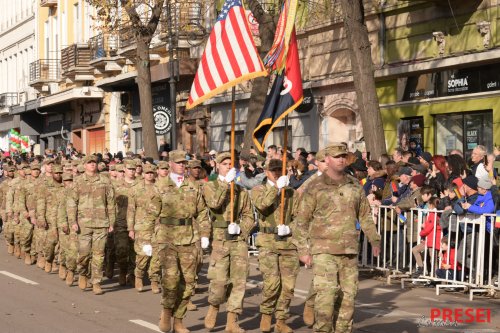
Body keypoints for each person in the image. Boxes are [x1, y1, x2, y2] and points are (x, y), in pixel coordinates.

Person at [293, 144, 380, 333]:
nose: (341, 159)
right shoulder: (315, 186)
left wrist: (375, 239)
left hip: (348, 251)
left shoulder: (354, 185)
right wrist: (303, 250)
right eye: (337, 156)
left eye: (344, 156)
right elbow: (301, 221)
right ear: (328, 159)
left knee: (348, 298)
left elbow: (364, 215)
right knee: (326, 297)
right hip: (323, 251)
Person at [157, 150, 210, 333]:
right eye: (178, 162)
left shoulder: (193, 186)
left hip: (189, 238)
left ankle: (178, 320)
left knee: (188, 283)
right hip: (167, 238)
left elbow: (202, 212)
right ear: (170, 163)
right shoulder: (160, 185)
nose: (182, 165)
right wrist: (148, 239)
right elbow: (150, 214)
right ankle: (166, 310)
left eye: (184, 163)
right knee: (171, 280)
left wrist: (204, 234)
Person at [203, 152, 254, 333]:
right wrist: (225, 184)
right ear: (217, 166)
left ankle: (232, 321)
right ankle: (214, 307)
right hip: (220, 239)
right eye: (224, 164)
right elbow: (215, 204)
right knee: (219, 282)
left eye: (231, 164)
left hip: (238, 240)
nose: (228, 166)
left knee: (239, 282)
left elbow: (249, 215)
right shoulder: (210, 187)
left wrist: (242, 228)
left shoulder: (241, 191)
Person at [251, 159, 298, 333]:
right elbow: (263, 205)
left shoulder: (291, 192)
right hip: (268, 241)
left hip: (288, 243)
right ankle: (266, 314)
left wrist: (290, 228)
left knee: (288, 285)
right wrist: (276, 188)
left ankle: (281, 320)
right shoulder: (259, 190)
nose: (277, 172)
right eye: (273, 170)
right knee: (272, 283)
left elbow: (300, 217)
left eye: (280, 169)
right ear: (266, 171)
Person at [67, 155, 116, 295]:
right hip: (83, 224)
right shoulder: (77, 182)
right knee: (83, 253)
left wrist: (111, 222)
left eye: (94, 162)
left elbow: (111, 203)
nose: (92, 165)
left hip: (101, 223)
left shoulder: (105, 181)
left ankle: (96, 282)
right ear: (84, 165)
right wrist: (73, 221)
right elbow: (71, 203)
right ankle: (83, 273)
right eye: (89, 163)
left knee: (99, 255)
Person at [127, 163, 162, 293]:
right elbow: (131, 210)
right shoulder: (135, 189)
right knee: (143, 254)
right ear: (143, 174)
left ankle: (154, 280)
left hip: (158, 225)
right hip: (141, 226)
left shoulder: (160, 188)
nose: (149, 175)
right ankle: (139, 276)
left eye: (152, 172)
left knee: (157, 255)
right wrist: (130, 228)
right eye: (147, 173)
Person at [114, 159, 140, 286]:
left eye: (134, 169)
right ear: (124, 169)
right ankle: (122, 271)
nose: (132, 171)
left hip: (138, 222)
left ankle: (132, 274)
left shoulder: (140, 184)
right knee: (122, 249)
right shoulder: (116, 185)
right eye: (129, 169)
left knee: (135, 250)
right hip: (121, 221)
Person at [411, 197, 441, 278]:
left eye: (428, 204)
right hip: (429, 240)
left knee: (433, 260)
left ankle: (435, 277)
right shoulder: (432, 213)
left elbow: (428, 228)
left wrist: (421, 233)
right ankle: (421, 267)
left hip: (433, 240)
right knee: (415, 249)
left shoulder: (433, 214)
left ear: (431, 205)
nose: (427, 205)